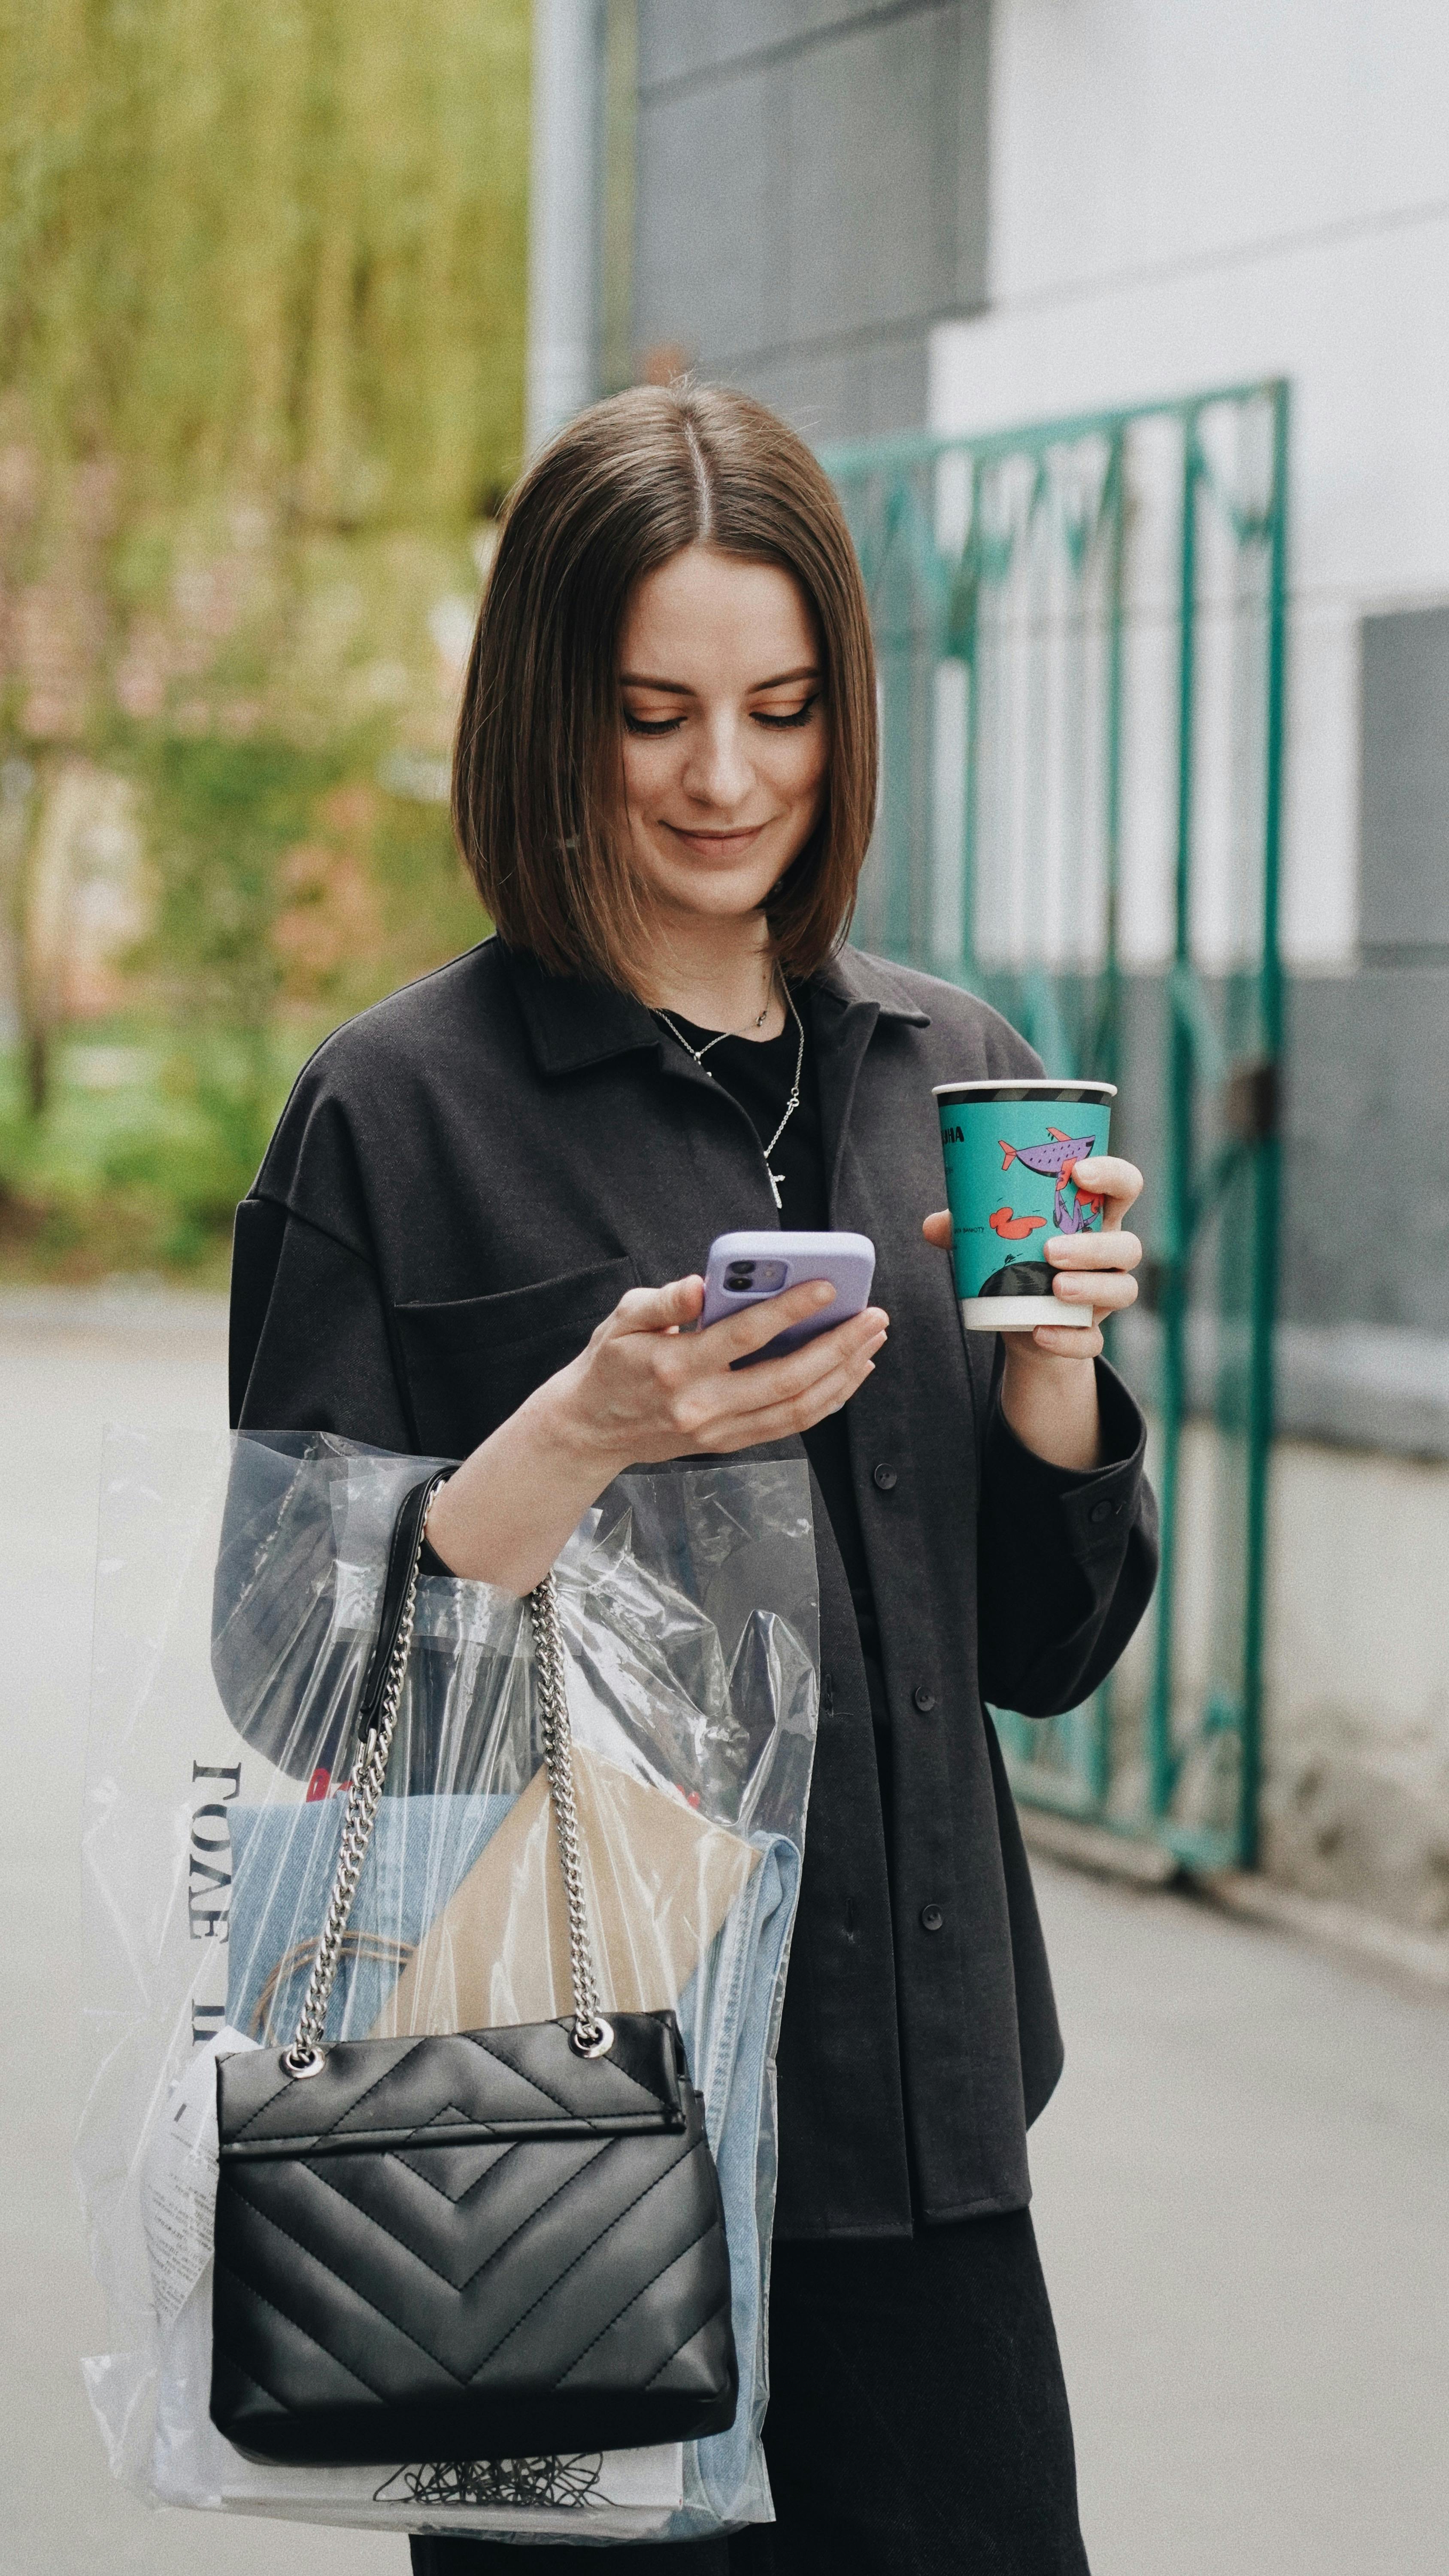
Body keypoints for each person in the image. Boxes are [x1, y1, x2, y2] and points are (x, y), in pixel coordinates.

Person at [229, 382, 1157, 2576]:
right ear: (550, 713)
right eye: (653, 714)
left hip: (929, 2169)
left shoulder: (954, 1072)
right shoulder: (394, 1116)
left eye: (781, 708)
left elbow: (1043, 1659)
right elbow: (289, 1678)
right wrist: (575, 1436)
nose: (724, 778)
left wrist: (1053, 1383)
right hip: (553, 2140)